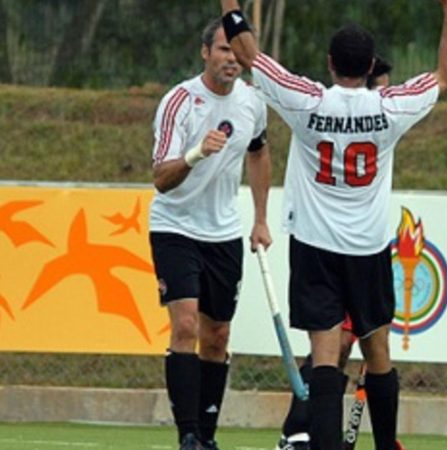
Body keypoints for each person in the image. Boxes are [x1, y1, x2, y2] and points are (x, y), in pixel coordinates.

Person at [218, 1, 447, 448]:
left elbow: (248, 53)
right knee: (377, 351)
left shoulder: (307, 100)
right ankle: (386, 444)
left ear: (330, 63)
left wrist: (231, 6)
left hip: (315, 245)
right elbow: (446, 74)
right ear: (370, 67)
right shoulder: (390, 107)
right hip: (367, 247)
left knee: (326, 356)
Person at [148, 17, 272, 450]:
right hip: (175, 227)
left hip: (223, 233)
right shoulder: (179, 102)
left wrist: (260, 218)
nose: (231, 59)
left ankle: (206, 436)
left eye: (237, 52)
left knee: (217, 335)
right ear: (205, 53)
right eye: (222, 50)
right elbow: (161, 179)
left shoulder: (252, 102)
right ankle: (187, 436)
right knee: (185, 325)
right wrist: (196, 153)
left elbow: (259, 153)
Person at [274, 57, 395, 450]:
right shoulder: (359, 113)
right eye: (379, 86)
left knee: (357, 347)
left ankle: (304, 430)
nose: (384, 93)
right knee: (333, 347)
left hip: (356, 247)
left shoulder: (375, 118)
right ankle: (296, 430)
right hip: (335, 246)